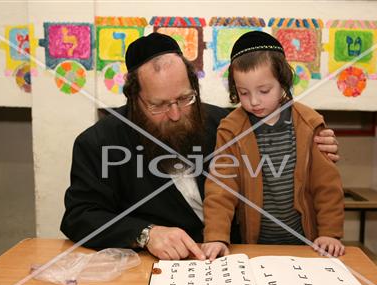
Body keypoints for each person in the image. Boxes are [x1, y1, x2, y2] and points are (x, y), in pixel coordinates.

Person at [60, 32, 340, 260]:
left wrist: (317, 144)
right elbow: (80, 216)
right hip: (152, 273)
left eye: (184, 98)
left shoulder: (229, 124)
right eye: (158, 105)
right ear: (135, 99)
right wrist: (146, 234)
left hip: (240, 260)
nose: (175, 114)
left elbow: (292, 152)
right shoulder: (98, 142)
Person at [201, 31, 345, 261]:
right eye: (244, 93)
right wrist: (216, 236)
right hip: (254, 246)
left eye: (264, 91)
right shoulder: (231, 129)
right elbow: (221, 188)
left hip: (307, 244)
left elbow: (327, 186)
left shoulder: (309, 123)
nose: (254, 101)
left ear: (283, 82)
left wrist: (330, 233)